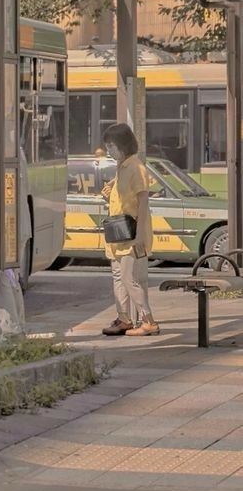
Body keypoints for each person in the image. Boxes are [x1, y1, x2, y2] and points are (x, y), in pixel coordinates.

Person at [101, 123, 159, 337]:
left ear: (123, 145)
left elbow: (143, 202)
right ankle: (124, 318)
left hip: (132, 233)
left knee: (130, 278)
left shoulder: (136, 168)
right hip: (118, 233)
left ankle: (148, 321)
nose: (109, 150)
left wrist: (139, 236)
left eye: (111, 146)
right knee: (119, 276)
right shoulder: (121, 167)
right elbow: (122, 199)